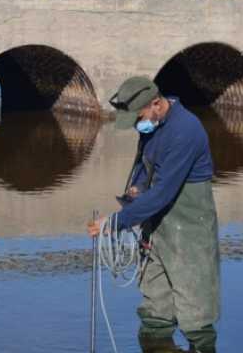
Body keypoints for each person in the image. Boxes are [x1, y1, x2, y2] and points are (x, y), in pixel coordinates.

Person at [87, 76, 220, 353]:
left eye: (139, 118)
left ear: (156, 104)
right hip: (156, 226)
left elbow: (163, 193)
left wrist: (116, 222)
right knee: (154, 307)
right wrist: (138, 186)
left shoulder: (185, 131)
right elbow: (146, 165)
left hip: (189, 227)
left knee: (194, 308)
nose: (138, 126)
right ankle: (157, 343)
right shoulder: (152, 124)